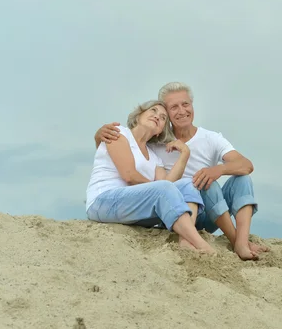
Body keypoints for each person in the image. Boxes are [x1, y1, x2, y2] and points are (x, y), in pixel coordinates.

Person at [95, 82, 268, 261]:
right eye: (173, 107)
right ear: (168, 114)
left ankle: (241, 242)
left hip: (209, 213)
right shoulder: (156, 140)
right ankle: (229, 241)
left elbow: (246, 164)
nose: (181, 111)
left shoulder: (211, 138)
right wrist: (99, 136)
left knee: (241, 179)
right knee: (205, 184)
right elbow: (124, 154)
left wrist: (218, 169)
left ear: (192, 106)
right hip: (175, 212)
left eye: (185, 104)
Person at [86, 100, 215, 254]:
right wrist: (158, 188)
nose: (157, 117)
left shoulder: (154, 158)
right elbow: (129, 175)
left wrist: (184, 154)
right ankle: (201, 244)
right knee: (164, 189)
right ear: (139, 115)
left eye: (162, 118)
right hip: (102, 202)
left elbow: (168, 185)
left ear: (160, 130)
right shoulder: (119, 133)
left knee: (188, 184)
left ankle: (186, 241)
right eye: (153, 111)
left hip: (131, 210)